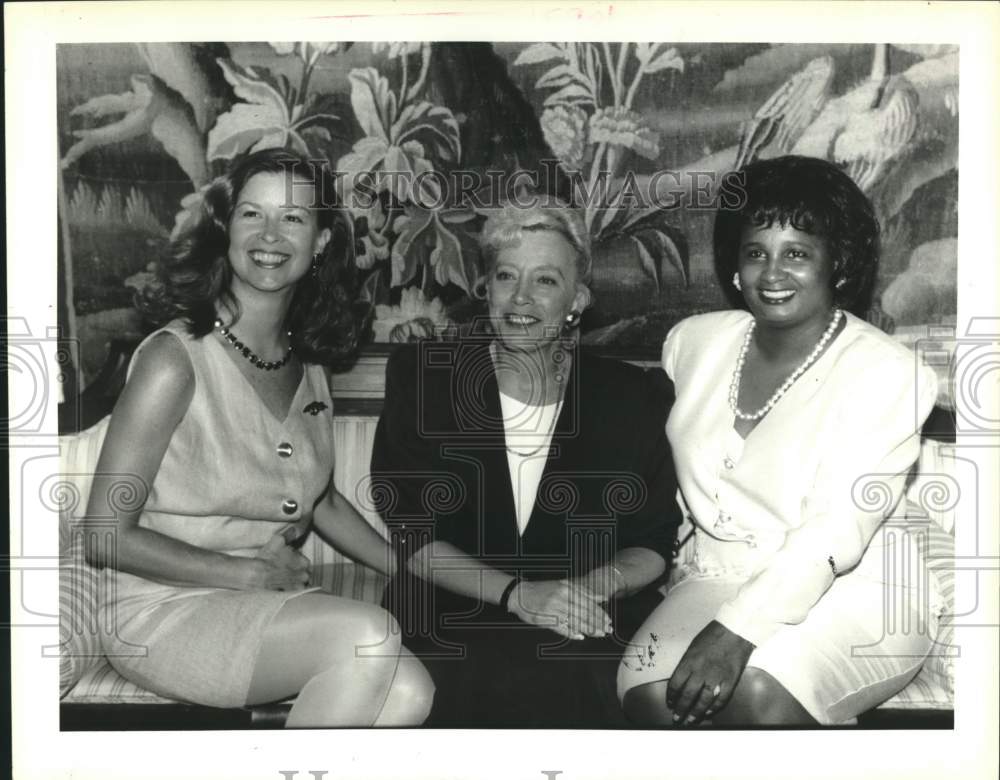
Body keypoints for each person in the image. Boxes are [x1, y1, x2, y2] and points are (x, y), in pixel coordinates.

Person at [82, 149, 433, 727]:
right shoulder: (174, 360)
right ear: (227, 229)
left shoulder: (307, 363)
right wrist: (249, 573)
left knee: (410, 693)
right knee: (371, 636)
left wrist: (410, 570)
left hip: (257, 601)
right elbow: (102, 535)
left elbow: (320, 499)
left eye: (293, 218)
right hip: (160, 606)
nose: (269, 235)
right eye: (252, 214)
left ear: (320, 241)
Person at [617, 155, 942, 726]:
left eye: (796, 253)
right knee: (650, 700)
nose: (772, 273)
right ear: (735, 266)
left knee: (757, 695)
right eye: (756, 253)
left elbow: (838, 528)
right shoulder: (691, 344)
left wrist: (736, 632)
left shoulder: (889, 372)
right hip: (718, 573)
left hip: (856, 586)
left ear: (837, 265)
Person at [370, 195, 682, 727]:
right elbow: (415, 537)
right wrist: (519, 595)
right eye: (506, 275)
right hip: (456, 603)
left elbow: (651, 544)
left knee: (583, 665)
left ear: (577, 298)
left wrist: (586, 591)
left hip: (584, 610)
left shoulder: (632, 395)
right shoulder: (426, 379)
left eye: (545, 280)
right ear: (485, 288)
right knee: (474, 667)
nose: (521, 297)